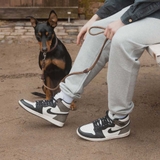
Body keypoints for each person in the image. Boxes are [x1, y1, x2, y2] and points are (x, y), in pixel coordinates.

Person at [19, 0, 160, 141]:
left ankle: (119, 120)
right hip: (147, 7)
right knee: (96, 30)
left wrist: (124, 20)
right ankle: (62, 103)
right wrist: (94, 19)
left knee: (122, 40)